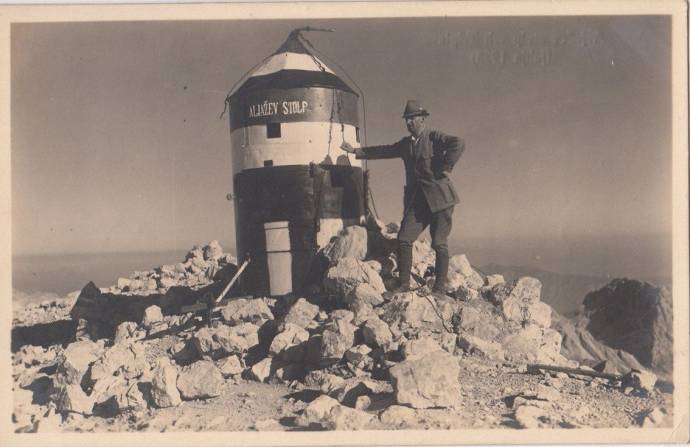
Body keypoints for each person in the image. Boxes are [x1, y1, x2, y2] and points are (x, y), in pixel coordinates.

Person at [341, 100, 464, 295]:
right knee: (404, 238)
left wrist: (447, 167)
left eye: (413, 119)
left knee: (439, 242)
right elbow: (385, 150)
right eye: (407, 120)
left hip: (441, 200)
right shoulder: (406, 145)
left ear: (423, 119)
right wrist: (357, 151)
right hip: (418, 203)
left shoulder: (433, 138)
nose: (409, 123)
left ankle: (439, 288)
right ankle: (404, 284)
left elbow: (458, 143)